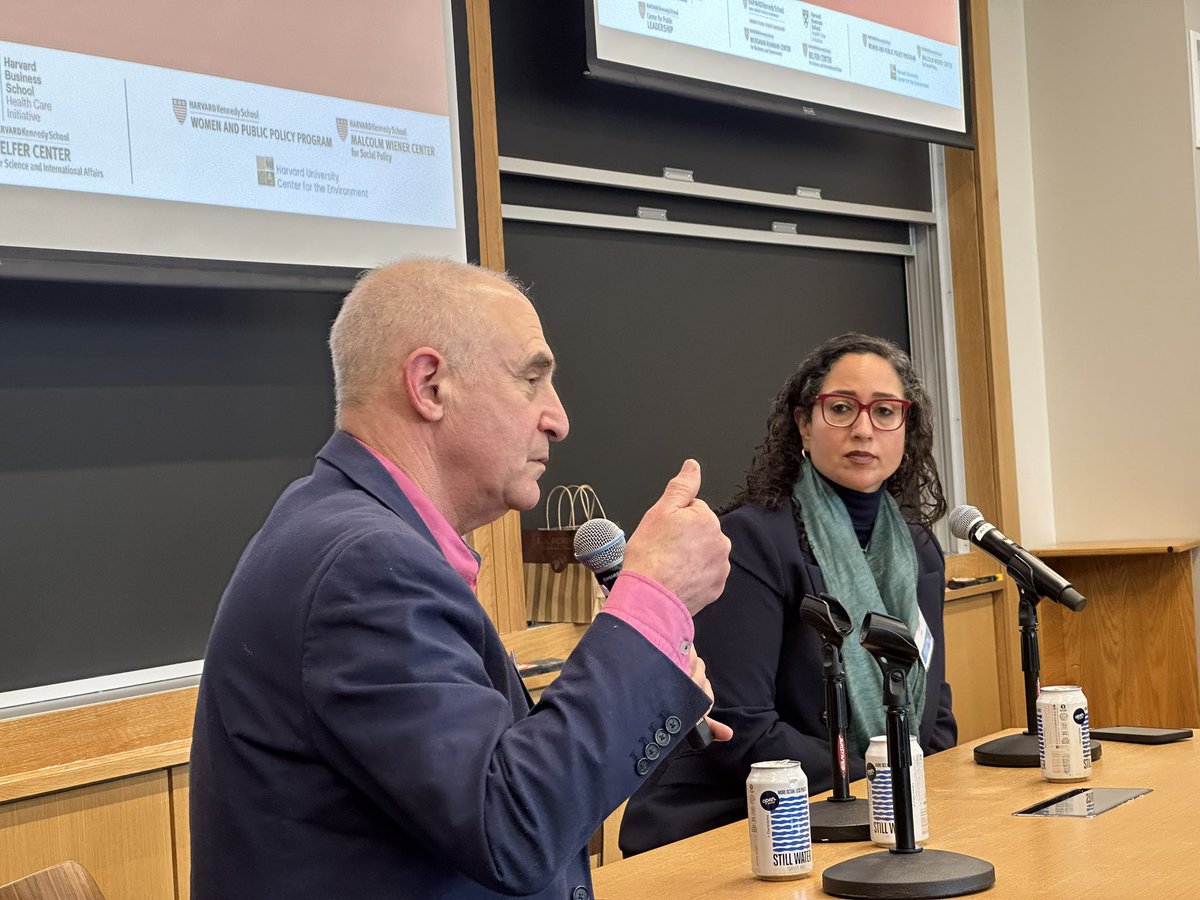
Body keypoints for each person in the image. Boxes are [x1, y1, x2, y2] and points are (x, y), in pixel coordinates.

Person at [188, 258, 732, 899]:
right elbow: (511, 827)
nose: (559, 419)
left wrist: (637, 692)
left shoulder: (344, 530)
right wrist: (654, 598)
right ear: (431, 386)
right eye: (532, 380)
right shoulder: (363, 566)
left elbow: (483, 790)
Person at [620, 332, 956, 854]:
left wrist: (908, 783)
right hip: (741, 822)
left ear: (906, 428)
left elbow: (933, 711)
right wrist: (882, 776)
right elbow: (741, 728)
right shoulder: (752, 541)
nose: (864, 429)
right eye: (841, 408)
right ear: (804, 422)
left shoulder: (919, 551)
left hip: (876, 813)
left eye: (886, 411)